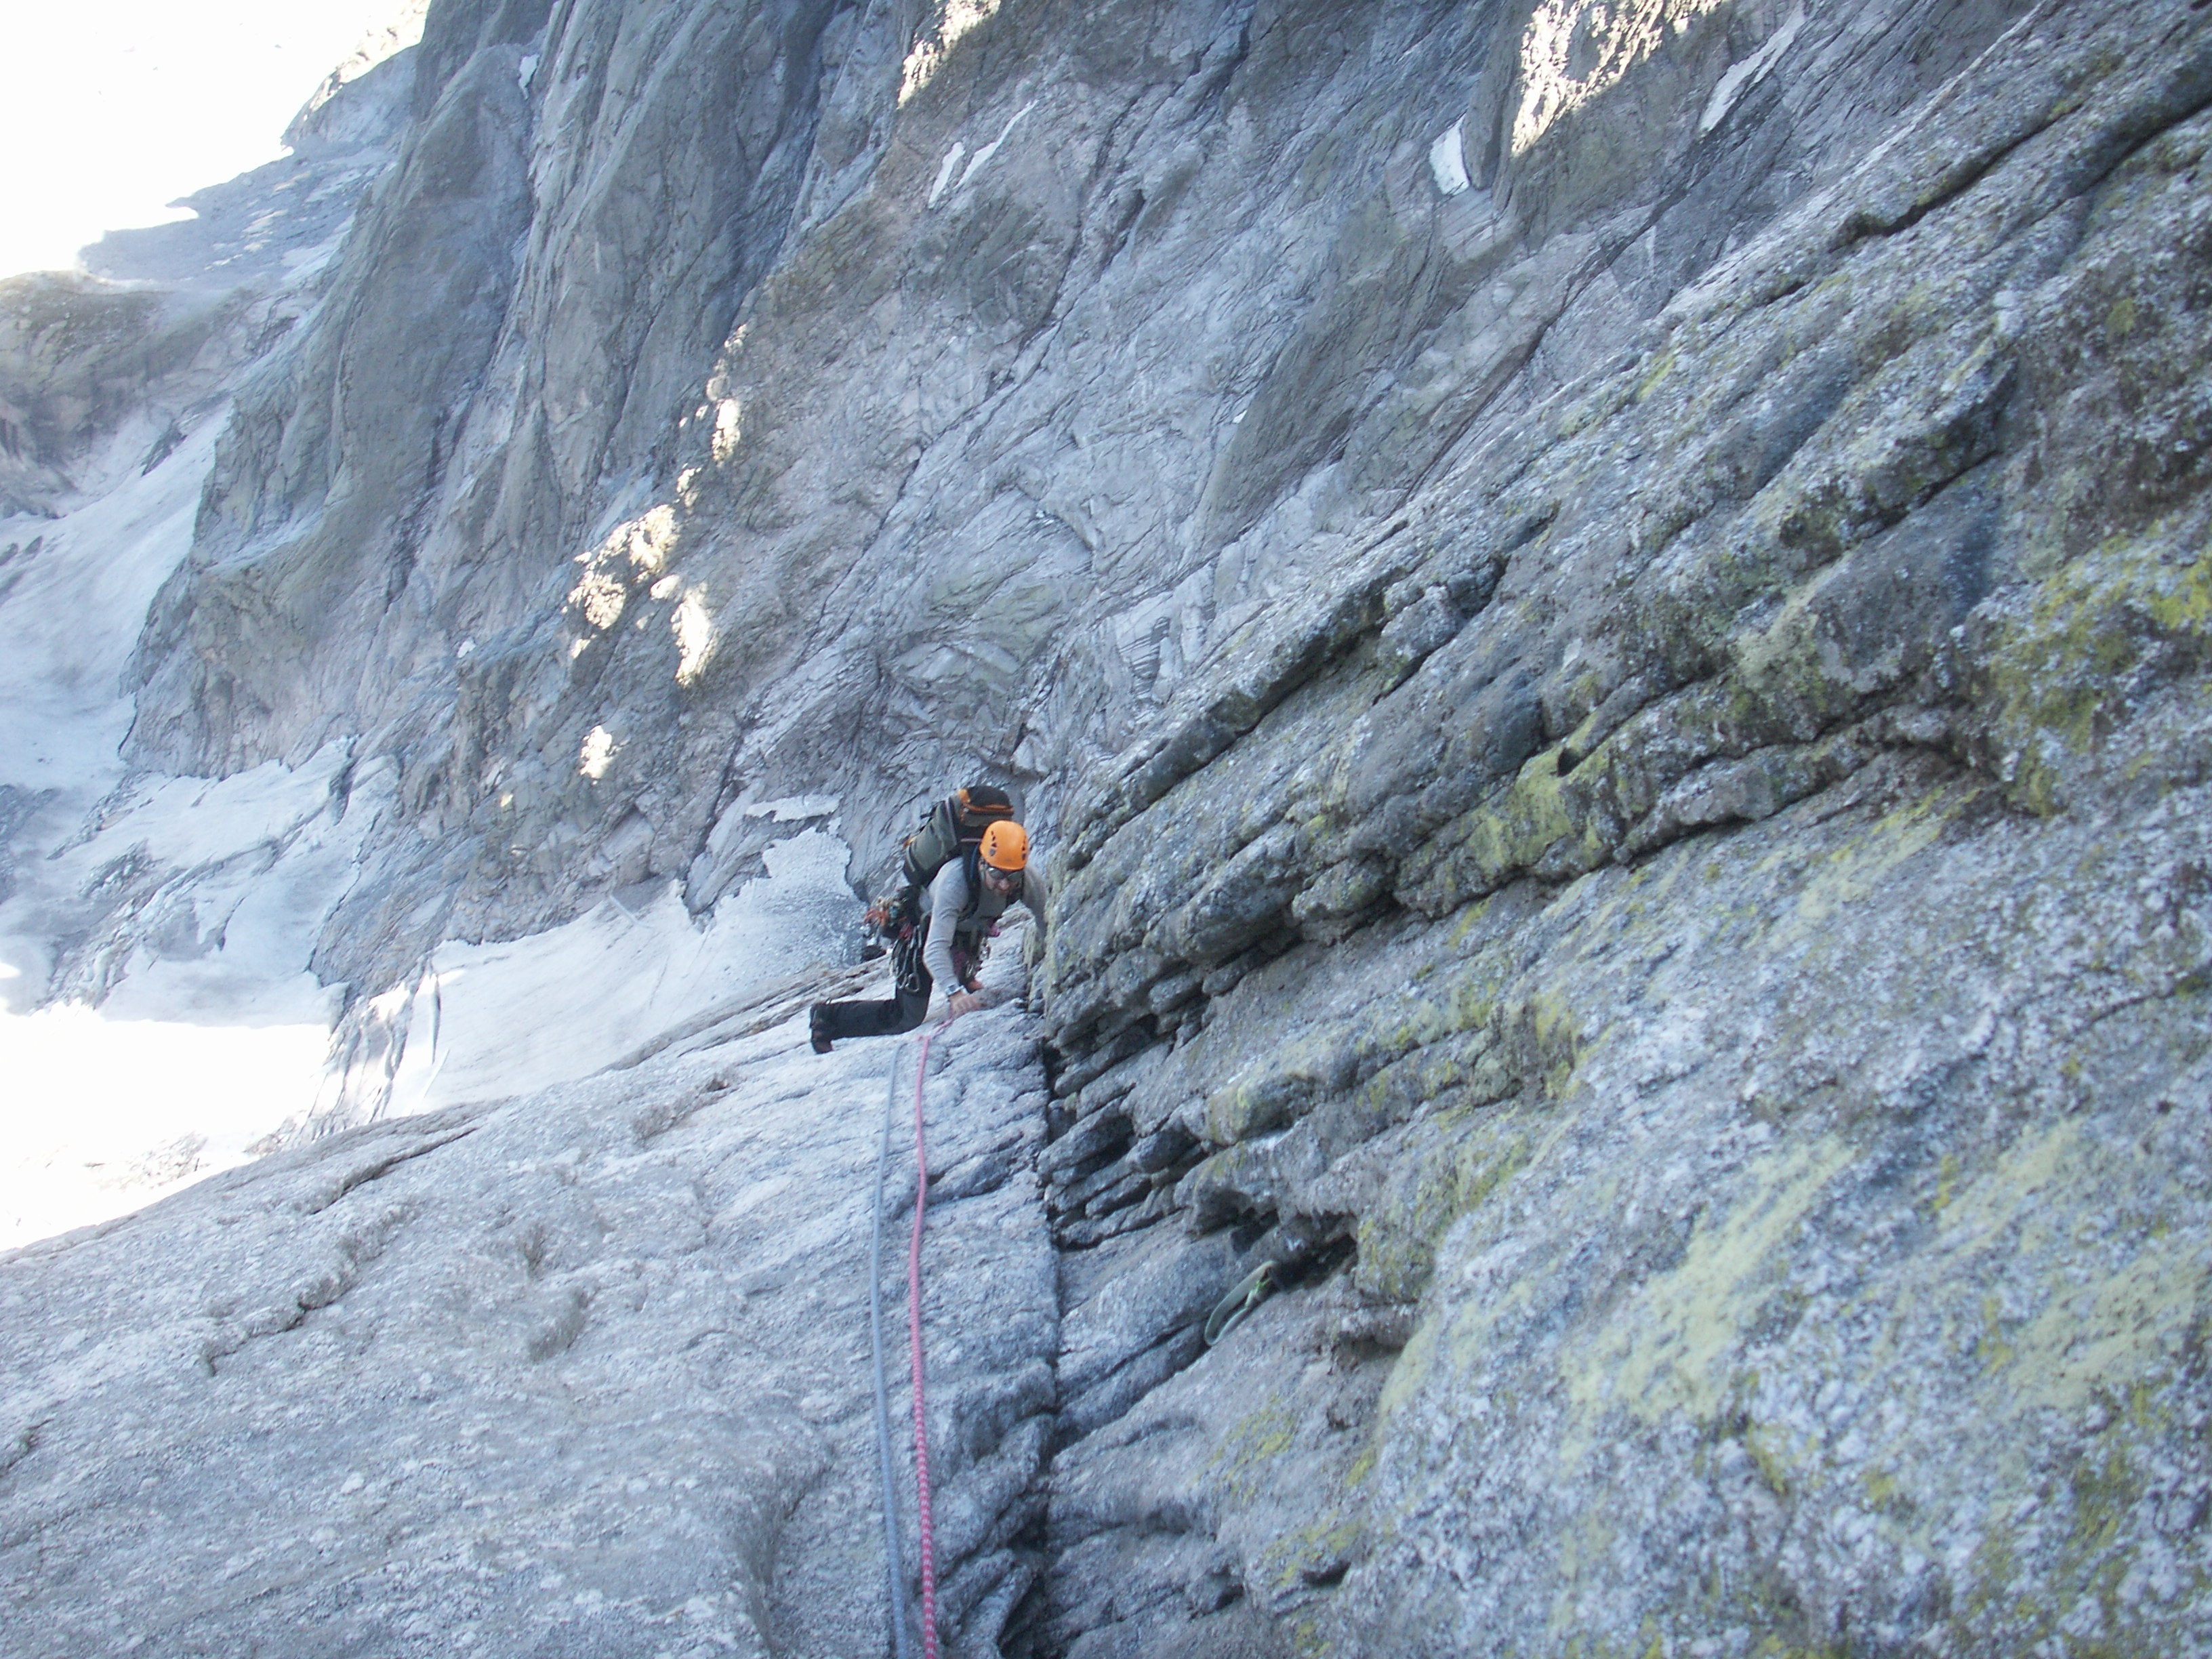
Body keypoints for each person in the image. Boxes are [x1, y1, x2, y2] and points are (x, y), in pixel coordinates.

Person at [809, 819, 1048, 1050]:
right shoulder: (955, 883)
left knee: (966, 939)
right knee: (906, 1017)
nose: (1005, 885)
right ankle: (827, 1017)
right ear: (981, 863)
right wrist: (954, 994)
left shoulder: (1026, 880)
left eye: (1012, 876)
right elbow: (934, 949)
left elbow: (1046, 918)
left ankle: (965, 976)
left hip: (964, 929)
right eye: (996, 874)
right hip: (919, 930)